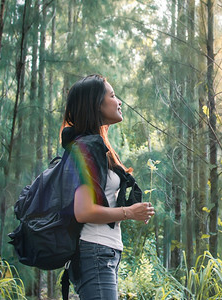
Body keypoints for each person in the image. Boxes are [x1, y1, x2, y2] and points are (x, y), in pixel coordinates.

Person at [61, 74, 155, 300]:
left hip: (104, 251)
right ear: (96, 105)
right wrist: (129, 212)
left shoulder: (96, 146)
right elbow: (83, 211)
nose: (119, 101)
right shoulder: (85, 148)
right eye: (112, 96)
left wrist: (132, 209)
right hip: (94, 251)